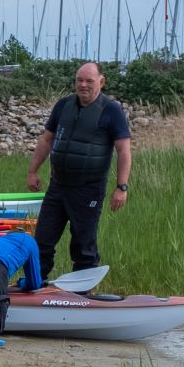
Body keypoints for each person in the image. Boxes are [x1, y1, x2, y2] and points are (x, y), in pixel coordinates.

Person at [26, 61, 132, 280]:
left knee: (83, 243)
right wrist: (33, 171)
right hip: (58, 186)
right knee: (42, 240)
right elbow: (46, 140)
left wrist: (121, 187)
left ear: (101, 82)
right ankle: (35, 284)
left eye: (89, 81)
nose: (83, 85)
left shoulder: (111, 110)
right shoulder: (63, 105)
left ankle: (83, 290)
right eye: (79, 80)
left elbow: (123, 150)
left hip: (88, 189)